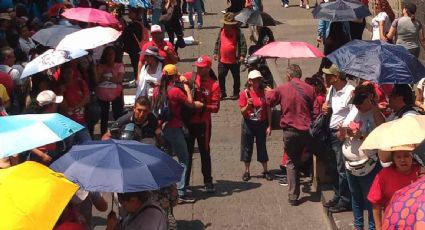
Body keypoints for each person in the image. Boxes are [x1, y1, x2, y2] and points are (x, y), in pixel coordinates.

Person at [266, 64, 317, 206]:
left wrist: (270, 92)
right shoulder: (310, 89)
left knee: (291, 161)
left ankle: (293, 195)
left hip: (290, 131)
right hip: (306, 131)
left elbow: (270, 101)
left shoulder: (282, 88)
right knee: (304, 155)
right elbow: (316, 110)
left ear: (288, 76)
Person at [153, 64, 204, 202]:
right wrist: (187, 88)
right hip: (174, 127)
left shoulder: (157, 90)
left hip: (161, 128)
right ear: (174, 76)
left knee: (167, 159)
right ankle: (180, 191)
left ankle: (166, 188)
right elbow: (190, 103)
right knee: (184, 159)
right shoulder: (175, 91)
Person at [340, 84, 385, 230]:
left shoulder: (376, 114)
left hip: (369, 164)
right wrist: (342, 132)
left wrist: (361, 136)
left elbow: (380, 139)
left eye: (360, 102)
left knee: (371, 199)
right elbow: (340, 135)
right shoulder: (354, 110)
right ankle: (358, 226)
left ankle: (372, 227)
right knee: (356, 197)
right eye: (356, 102)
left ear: (370, 99)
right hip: (351, 163)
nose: (357, 105)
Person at [182, 55, 220, 193]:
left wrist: (202, 106)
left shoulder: (214, 85)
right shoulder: (189, 76)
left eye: (202, 67)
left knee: (205, 152)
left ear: (208, 68)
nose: (199, 69)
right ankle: (184, 183)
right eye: (198, 67)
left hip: (203, 123)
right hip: (188, 123)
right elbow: (178, 81)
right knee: (187, 153)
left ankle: (208, 181)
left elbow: (216, 107)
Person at [321, 64, 354, 213]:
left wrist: (344, 129)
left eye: (328, 75)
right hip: (329, 132)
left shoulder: (350, 92)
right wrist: (324, 106)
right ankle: (338, 195)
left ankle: (345, 201)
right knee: (333, 167)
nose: (325, 77)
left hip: (340, 135)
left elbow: (354, 114)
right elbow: (327, 106)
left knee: (342, 169)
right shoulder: (332, 89)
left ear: (336, 77)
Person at [368, 146, 421, 230]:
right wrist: (379, 227)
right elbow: (376, 203)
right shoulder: (383, 175)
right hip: (393, 224)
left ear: (412, 156)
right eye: (398, 157)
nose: (403, 160)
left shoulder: (420, 172)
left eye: (406, 156)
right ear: (393, 159)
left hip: (417, 224)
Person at [240, 70, 272, 181]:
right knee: (247, 147)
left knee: (262, 146)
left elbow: (268, 109)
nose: (258, 81)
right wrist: (248, 106)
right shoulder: (244, 94)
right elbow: (242, 111)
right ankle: (247, 171)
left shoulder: (264, 92)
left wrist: (269, 125)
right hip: (249, 123)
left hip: (261, 124)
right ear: (250, 81)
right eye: (255, 80)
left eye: (259, 79)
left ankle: (265, 170)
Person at [213, 12, 247, 100]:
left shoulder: (238, 32)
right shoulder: (221, 31)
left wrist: (242, 55)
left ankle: (236, 93)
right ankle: (222, 92)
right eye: (225, 24)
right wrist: (215, 53)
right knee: (221, 76)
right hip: (223, 59)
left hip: (234, 60)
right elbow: (218, 42)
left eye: (228, 24)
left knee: (236, 77)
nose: (226, 26)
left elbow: (243, 44)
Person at [96, 46, 125, 135]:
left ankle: (118, 132)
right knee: (104, 116)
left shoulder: (119, 65)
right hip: (102, 95)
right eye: (107, 54)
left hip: (116, 94)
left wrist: (106, 77)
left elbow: (119, 80)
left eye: (112, 54)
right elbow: (97, 80)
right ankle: (103, 134)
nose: (110, 56)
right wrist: (101, 73)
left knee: (118, 114)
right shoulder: (100, 66)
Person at [118, 7, 144, 80]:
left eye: (131, 12)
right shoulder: (138, 24)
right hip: (137, 51)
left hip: (136, 51)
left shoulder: (135, 26)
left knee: (137, 70)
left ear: (136, 14)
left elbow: (127, 36)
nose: (129, 13)